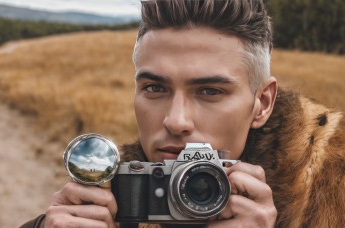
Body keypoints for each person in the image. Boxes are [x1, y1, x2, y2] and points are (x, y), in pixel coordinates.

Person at [21, 0, 345, 227]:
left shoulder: (334, 182)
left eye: (209, 91)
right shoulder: (114, 199)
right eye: (155, 88)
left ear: (262, 103)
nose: (176, 121)